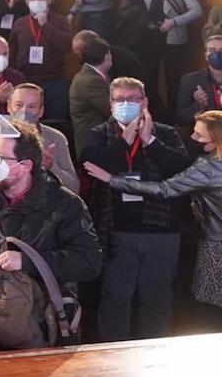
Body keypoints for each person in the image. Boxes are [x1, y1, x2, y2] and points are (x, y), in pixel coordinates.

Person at [84, 110, 222, 328]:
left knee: (211, 310)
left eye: (198, 136)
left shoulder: (209, 168)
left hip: (216, 246)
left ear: (214, 142)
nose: (192, 139)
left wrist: (113, 179)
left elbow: (164, 189)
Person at [80, 77, 193, 342]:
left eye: (132, 99)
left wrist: (149, 141)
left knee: (157, 299)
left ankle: (154, 355)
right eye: (120, 99)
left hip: (161, 232)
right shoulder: (98, 133)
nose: (126, 104)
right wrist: (123, 142)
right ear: (110, 104)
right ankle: (113, 355)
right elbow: (91, 167)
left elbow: (182, 170)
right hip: (115, 231)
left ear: (144, 102)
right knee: (115, 299)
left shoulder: (164, 132)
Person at [0, 120, 99, 348]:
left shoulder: (65, 204)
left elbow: (89, 262)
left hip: (42, 325)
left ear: (25, 165)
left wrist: (28, 261)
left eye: (0, 158)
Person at [131, 0, 202, 114]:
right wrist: (145, 23)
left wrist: (174, 22)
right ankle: (152, 113)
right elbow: (134, 7)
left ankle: (174, 114)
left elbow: (197, 10)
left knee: (173, 78)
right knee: (149, 76)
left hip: (173, 37)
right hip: (150, 37)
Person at [8, 0, 72, 123]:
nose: (37, 1)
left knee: (56, 122)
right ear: (26, 2)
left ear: (49, 0)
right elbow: (12, 53)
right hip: (26, 80)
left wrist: (46, 26)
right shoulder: (19, 23)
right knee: (25, 123)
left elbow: (66, 46)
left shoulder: (61, 21)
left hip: (54, 81)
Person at [8, 83, 80, 192]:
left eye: (31, 106)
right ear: (9, 107)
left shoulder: (56, 138)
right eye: (19, 105)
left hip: (45, 205)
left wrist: (51, 167)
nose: (24, 111)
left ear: (41, 111)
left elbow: (74, 187)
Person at [70, 37, 114, 157]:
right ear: (106, 56)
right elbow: (112, 111)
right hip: (92, 144)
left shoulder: (97, 75)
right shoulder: (91, 81)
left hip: (100, 139)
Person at [176, 34, 222, 126]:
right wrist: (199, 105)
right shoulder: (190, 80)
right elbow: (181, 120)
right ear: (206, 56)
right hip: (204, 135)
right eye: (212, 50)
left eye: (221, 50)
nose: (217, 54)